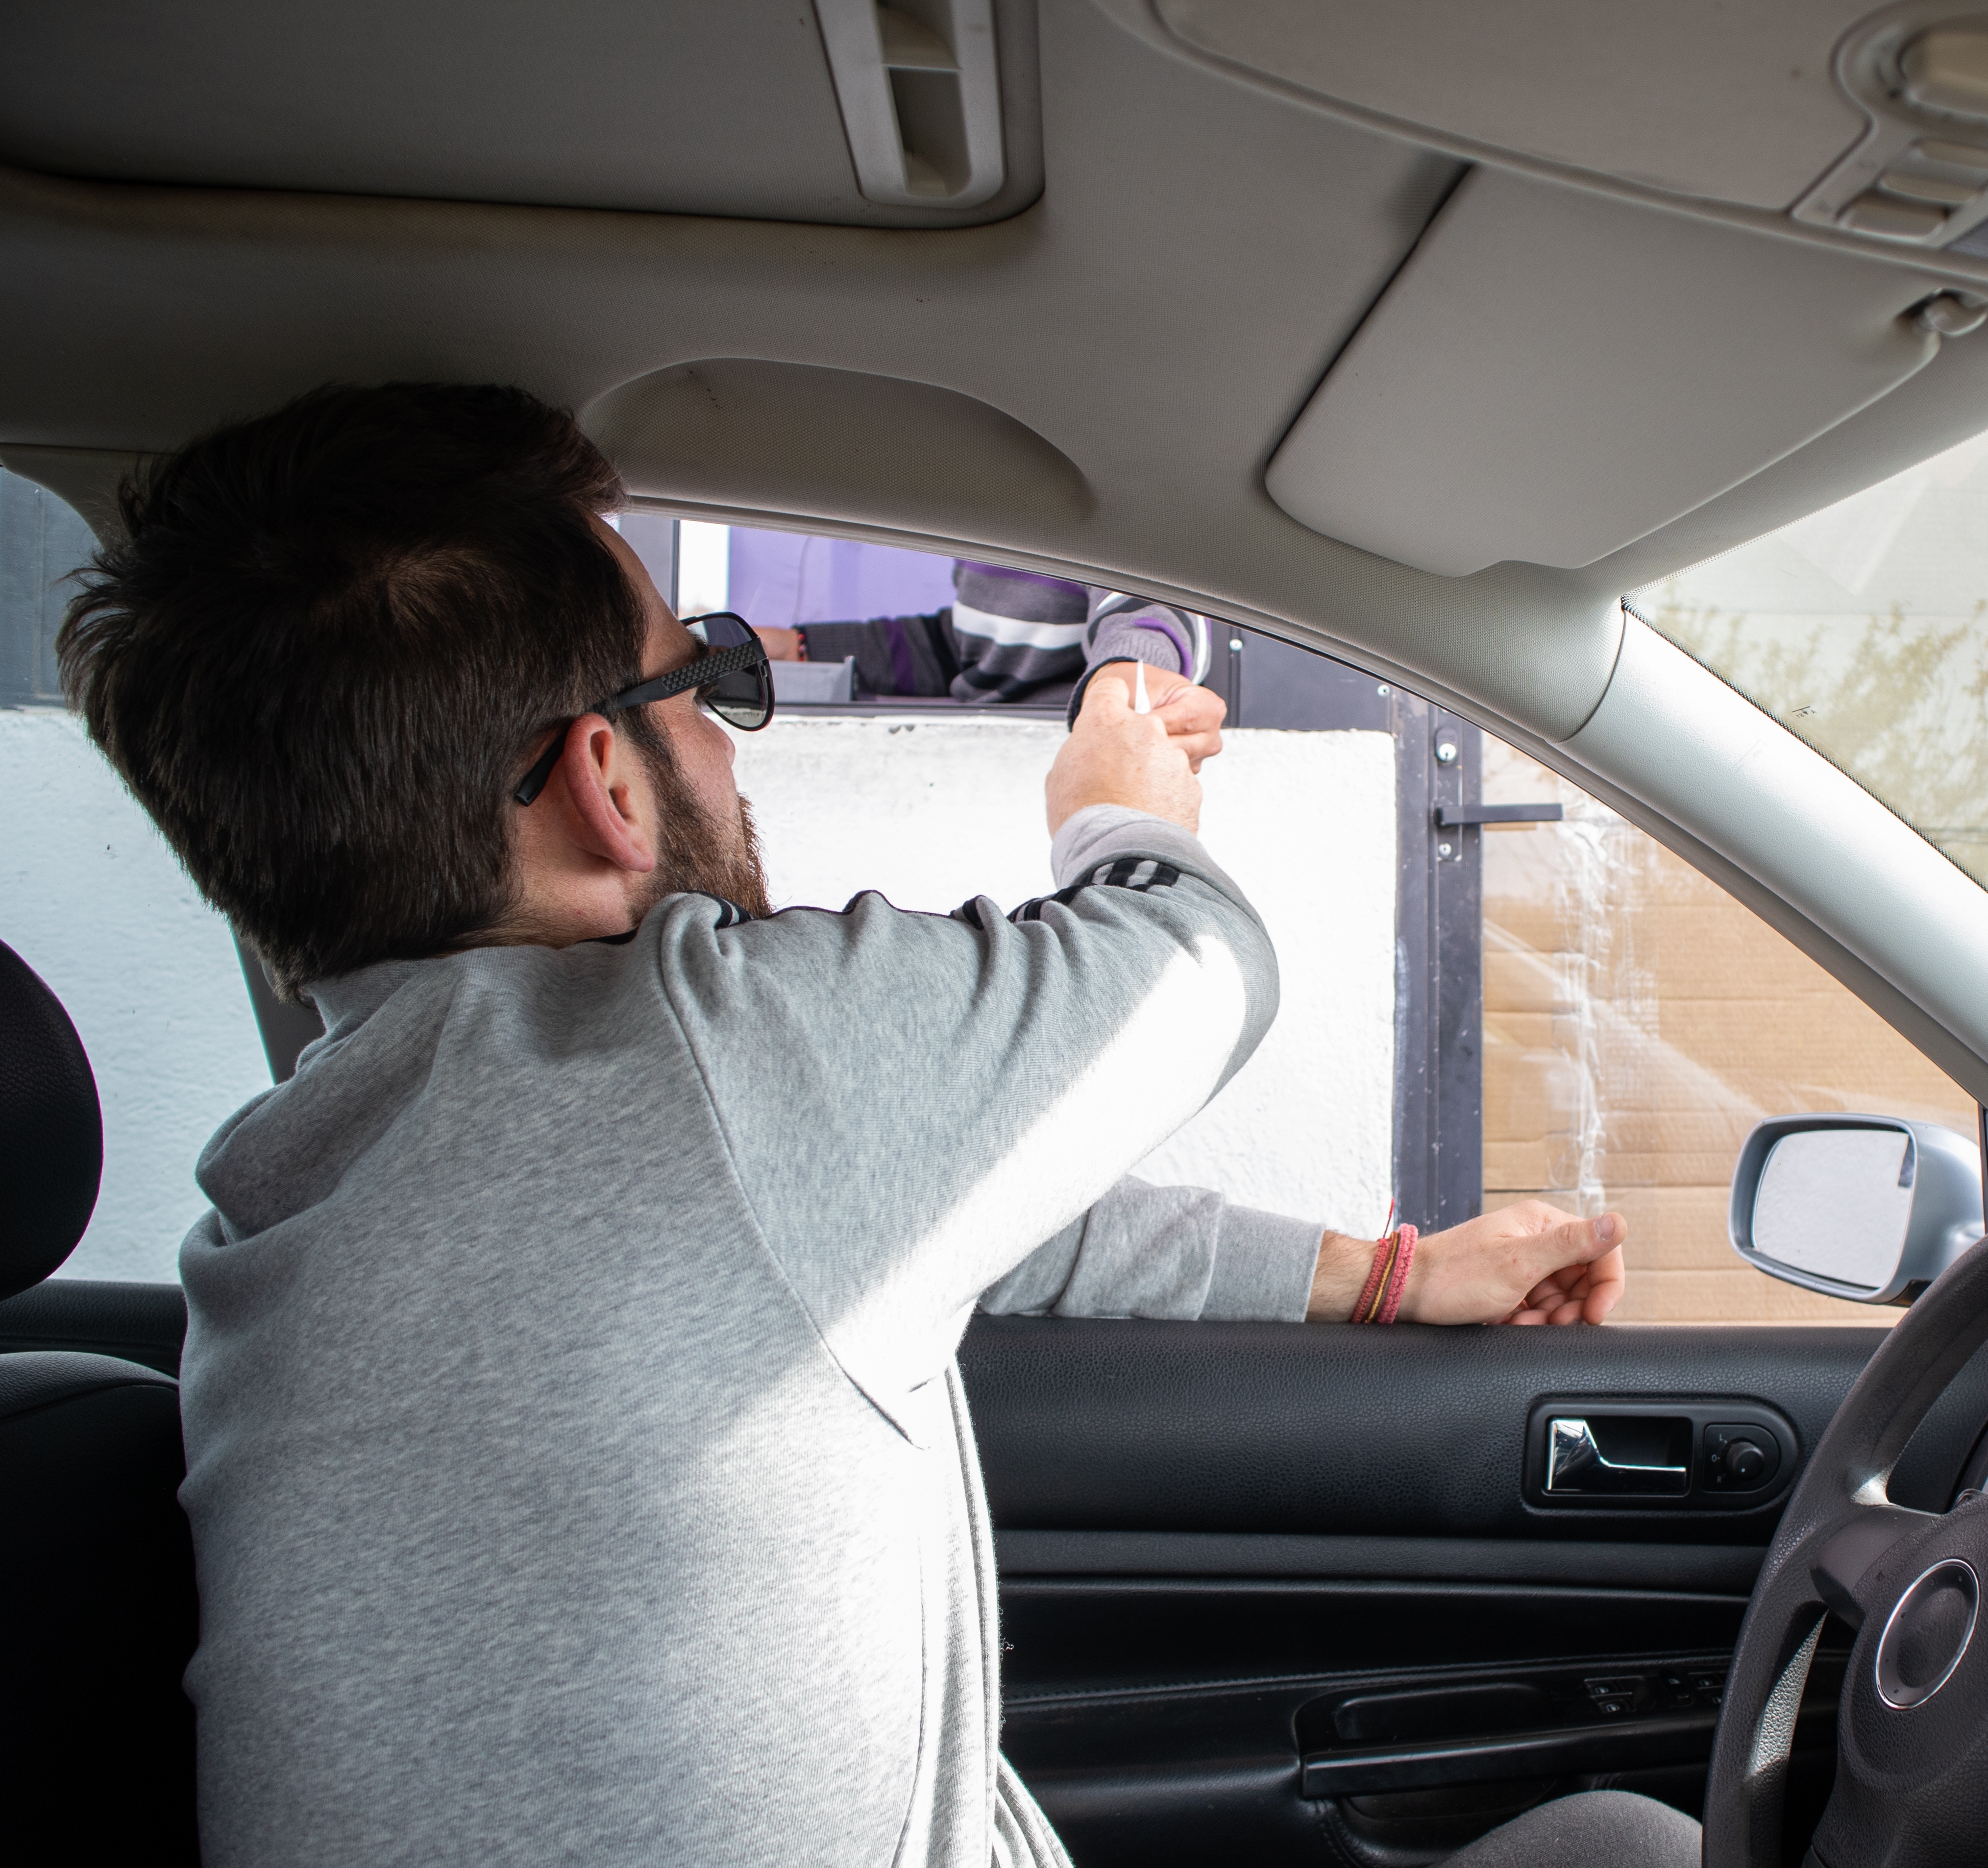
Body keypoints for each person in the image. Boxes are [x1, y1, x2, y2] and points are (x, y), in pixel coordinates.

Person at [55, 382, 1692, 1868]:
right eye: (699, 681)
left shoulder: (280, 1212)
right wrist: (1115, 790)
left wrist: (1396, 1275)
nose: (728, 737)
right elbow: (1196, 959)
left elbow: (961, 1197)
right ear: (604, 783)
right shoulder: (705, 1055)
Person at [756, 561, 1207, 709]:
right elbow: (960, 649)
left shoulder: (1094, 507)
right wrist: (801, 649)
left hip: (1053, 757)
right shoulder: (987, 515)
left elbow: (1152, 613)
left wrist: (1120, 692)